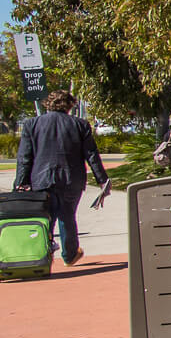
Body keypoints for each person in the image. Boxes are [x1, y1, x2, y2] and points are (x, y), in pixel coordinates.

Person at [14, 89, 110, 267]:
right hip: (71, 178)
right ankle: (70, 255)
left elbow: (25, 157)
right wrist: (102, 179)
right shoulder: (80, 125)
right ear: (69, 105)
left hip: (41, 179)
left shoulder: (31, 124)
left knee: (44, 219)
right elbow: (91, 154)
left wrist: (21, 182)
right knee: (67, 216)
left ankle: (41, 255)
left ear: (48, 104)